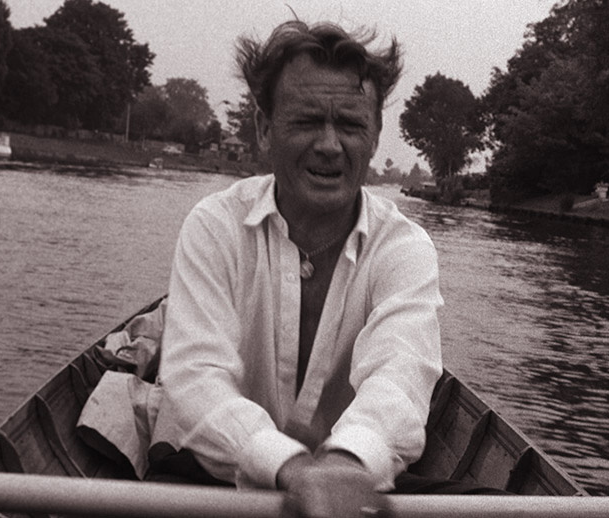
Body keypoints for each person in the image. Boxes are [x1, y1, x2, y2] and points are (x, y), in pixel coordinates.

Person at [149, 20, 446, 517]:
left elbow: (400, 375)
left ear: (374, 137)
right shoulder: (215, 227)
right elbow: (195, 379)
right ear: (264, 129)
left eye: (350, 125)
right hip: (219, 483)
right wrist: (291, 468)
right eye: (308, 122)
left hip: (357, 487)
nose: (330, 145)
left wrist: (344, 463)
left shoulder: (405, 247)